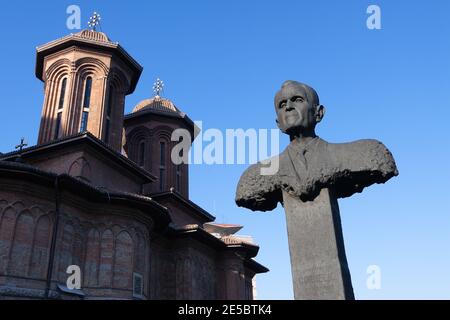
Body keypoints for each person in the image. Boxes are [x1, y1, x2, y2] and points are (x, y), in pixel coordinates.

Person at [235, 80, 398, 211]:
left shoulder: (360, 153)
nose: (289, 107)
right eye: (282, 104)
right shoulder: (257, 174)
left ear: (318, 113)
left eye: (297, 100)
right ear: (278, 123)